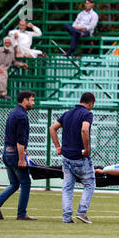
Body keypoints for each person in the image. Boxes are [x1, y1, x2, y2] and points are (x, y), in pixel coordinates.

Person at [0, 90, 36, 221]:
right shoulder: (22, 116)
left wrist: (23, 150)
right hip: (14, 153)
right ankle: (21, 214)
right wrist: (21, 159)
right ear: (25, 100)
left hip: (7, 151)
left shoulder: (14, 112)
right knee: (25, 182)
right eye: (32, 100)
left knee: (14, 183)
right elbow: (20, 140)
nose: (33, 103)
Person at [49, 92, 96, 224]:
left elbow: (52, 128)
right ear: (90, 103)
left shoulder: (67, 113)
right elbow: (85, 130)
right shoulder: (87, 113)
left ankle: (66, 217)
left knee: (67, 187)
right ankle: (82, 212)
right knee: (89, 184)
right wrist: (86, 149)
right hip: (80, 157)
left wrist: (58, 147)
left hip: (66, 156)